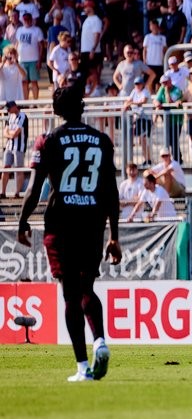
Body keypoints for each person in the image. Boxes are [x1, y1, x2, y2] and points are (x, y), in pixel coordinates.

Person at [18, 85, 122, 382]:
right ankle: (100, 341)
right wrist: (114, 235)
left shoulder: (49, 140)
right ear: (82, 107)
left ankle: (82, 368)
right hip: (93, 221)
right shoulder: (102, 141)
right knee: (87, 287)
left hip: (61, 223)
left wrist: (22, 221)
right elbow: (111, 191)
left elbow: (35, 188)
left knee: (70, 295)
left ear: (55, 109)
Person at [1, 100, 27, 198]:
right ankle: (3, 192)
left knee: (19, 169)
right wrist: (10, 134)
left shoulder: (22, 116)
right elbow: (5, 132)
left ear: (14, 107)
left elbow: (17, 133)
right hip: (9, 146)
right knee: (5, 168)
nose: (8, 111)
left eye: (9, 108)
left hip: (19, 147)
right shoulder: (10, 117)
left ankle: (17, 192)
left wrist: (10, 134)